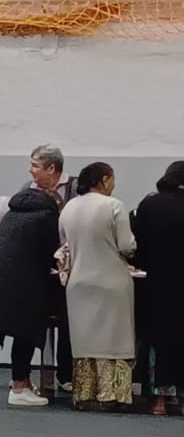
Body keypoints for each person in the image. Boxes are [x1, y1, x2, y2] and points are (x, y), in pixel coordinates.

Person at [0, 183, 61, 407]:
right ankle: (19, 387)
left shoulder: (12, 213)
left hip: (1, 280)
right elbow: (53, 251)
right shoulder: (47, 217)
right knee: (25, 333)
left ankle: (23, 382)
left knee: (20, 332)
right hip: (26, 282)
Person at [60, 162, 138, 411]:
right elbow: (126, 245)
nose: (114, 185)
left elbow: (64, 245)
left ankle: (83, 393)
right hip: (111, 281)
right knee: (114, 340)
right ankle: (111, 395)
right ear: (104, 180)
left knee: (84, 340)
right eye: (112, 179)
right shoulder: (114, 205)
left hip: (78, 283)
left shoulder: (68, 208)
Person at [132, 161, 184, 415]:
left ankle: (158, 401)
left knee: (156, 340)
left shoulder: (149, 204)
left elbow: (136, 246)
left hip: (155, 284)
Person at [25, 143, 76, 390]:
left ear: (52, 168)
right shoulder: (28, 189)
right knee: (37, 318)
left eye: (35, 166)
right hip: (39, 264)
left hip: (69, 263)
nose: (31, 171)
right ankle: (34, 374)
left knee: (68, 319)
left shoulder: (75, 188)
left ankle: (66, 375)